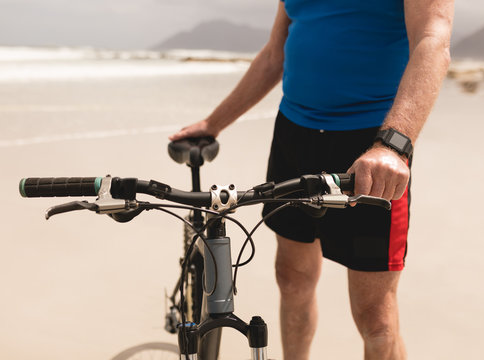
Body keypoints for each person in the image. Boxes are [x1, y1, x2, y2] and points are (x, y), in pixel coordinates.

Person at [170, 0, 454, 358]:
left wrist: (394, 144)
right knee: (292, 279)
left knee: (375, 317)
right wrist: (214, 123)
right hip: (295, 134)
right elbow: (276, 54)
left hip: (371, 143)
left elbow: (433, 41)